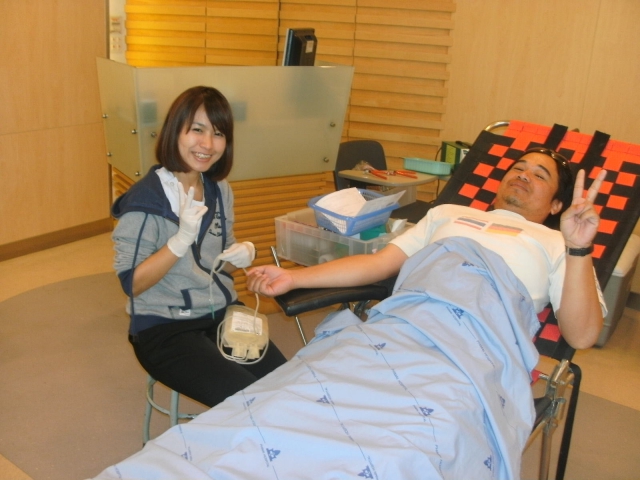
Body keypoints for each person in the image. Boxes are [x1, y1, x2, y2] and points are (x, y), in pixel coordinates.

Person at [248, 147, 608, 350]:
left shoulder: (559, 243)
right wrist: (294, 278)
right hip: (403, 326)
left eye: (540, 175)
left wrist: (579, 248)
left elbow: (581, 336)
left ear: (557, 205)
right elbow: (378, 264)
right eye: (518, 168)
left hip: (475, 344)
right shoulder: (447, 213)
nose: (524, 175)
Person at [112, 86, 287, 408]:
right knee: (249, 403)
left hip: (220, 311)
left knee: (286, 384)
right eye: (197, 130)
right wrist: (179, 241)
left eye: (218, 133)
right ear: (174, 131)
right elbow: (132, 283)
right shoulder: (145, 202)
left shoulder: (218, 189)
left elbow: (220, 256)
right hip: (165, 327)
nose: (207, 144)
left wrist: (242, 254)